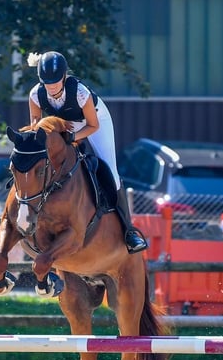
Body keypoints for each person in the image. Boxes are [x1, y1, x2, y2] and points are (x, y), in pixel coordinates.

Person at [27, 50, 147, 254]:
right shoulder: (35, 95)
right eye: (47, 82)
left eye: (56, 81)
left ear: (64, 76)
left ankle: (129, 231)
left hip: (95, 122)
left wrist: (72, 138)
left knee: (111, 170)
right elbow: (36, 129)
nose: (52, 86)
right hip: (67, 124)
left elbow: (93, 126)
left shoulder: (81, 92)